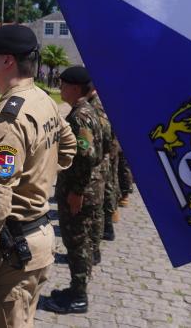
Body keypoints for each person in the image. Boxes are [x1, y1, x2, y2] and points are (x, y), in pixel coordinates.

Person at [0, 24, 80, 327]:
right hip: (37, 237)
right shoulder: (43, 99)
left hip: (13, 249)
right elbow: (67, 146)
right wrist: (39, 175)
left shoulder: (7, 120)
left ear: (7, 61)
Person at [45, 66, 103, 314]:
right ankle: (76, 288)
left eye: (63, 84)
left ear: (75, 88)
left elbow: (85, 156)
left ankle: (79, 296)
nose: (60, 89)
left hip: (81, 191)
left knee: (77, 242)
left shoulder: (80, 117)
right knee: (81, 241)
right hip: (87, 188)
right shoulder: (86, 111)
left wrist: (77, 190)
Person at [88, 89, 118, 242]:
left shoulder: (96, 104)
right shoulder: (98, 100)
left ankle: (107, 226)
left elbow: (105, 133)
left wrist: (104, 151)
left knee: (105, 188)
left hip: (104, 153)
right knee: (107, 185)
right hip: (107, 150)